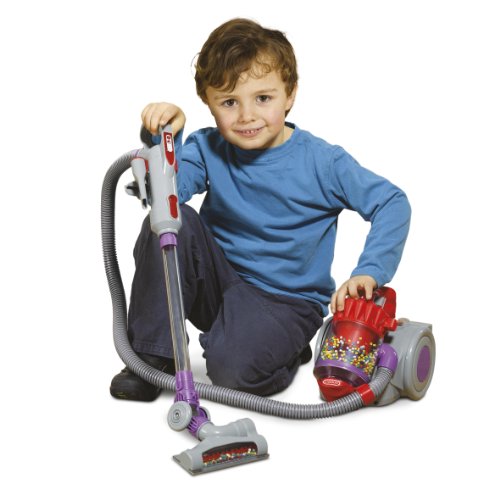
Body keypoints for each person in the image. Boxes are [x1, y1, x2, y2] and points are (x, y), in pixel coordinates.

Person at [110, 18, 411, 401]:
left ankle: (284, 349)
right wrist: (167, 135)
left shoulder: (323, 162)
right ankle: (153, 357)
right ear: (208, 102)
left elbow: (391, 202)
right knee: (171, 220)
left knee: (232, 372)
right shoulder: (208, 147)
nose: (247, 115)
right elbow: (167, 195)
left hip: (285, 302)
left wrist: (369, 271)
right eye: (229, 102)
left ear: (290, 94)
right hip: (220, 285)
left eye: (263, 98)